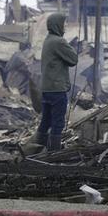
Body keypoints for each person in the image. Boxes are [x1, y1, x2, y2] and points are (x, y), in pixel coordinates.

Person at [35, 12, 78, 152]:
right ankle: (54, 154)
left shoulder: (48, 40)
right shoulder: (59, 41)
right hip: (57, 89)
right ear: (57, 25)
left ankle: (37, 149)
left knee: (45, 121)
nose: (66, 25)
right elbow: (73, 59)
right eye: (64, 22)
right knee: (58, 123)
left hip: (47, 88)